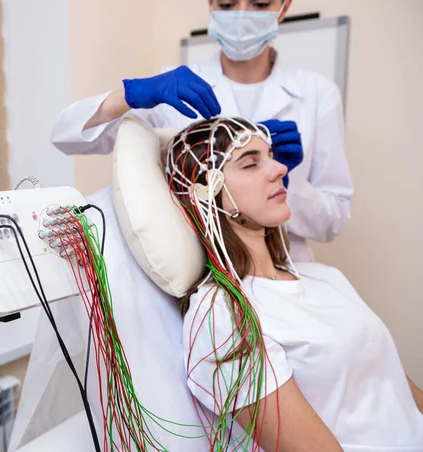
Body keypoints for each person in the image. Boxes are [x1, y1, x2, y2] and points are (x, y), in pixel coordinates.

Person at [164, 116, 423, 451]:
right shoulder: (223, 316)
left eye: (270, 156)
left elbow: (393, 385)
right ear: (206, 192)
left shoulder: (325, 277)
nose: (279, 169)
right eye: (251, 163)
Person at [51, 0, 353, 262]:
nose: (241, 16)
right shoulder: (177, 89)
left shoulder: (317, 94)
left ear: (284, 7)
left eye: (260, 5)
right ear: (211, 5)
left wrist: (286, 179)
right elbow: (66, 135)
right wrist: (131, 93)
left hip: (287, 267)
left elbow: (334, 221)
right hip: (203, 273)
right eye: (226, 5)